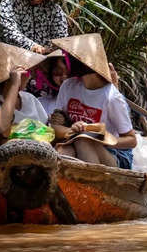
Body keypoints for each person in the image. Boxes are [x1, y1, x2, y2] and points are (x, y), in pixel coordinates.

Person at [49, 34, 136, 169]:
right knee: (63, 151)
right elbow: (55, 126)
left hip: (115, 154)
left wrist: (105, 138)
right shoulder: (68, 86)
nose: (67, 61)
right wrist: (72, 130)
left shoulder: (112, 97)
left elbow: (131, 140)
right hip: (76, 142)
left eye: (71, 58)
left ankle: (95, 185)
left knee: (83, 140)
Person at [0, 43, 48, 168]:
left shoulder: (29, 99)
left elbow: (47, 130)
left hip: (29, 168)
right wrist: (14, 84)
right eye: (26, 73)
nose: (29, 77)